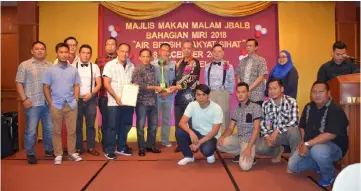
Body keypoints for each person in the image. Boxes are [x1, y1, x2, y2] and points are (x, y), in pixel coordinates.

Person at [288, 81, 349, 187]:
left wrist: (307, 144)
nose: (317, 94)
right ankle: (319, 163)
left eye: (321, 91)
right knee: (293, 166)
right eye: (314, 92)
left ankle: (329, 176)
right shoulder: (308, 107)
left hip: (333, 146)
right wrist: (303, 141)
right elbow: (302, 126)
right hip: (310, 144)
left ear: (329, 93)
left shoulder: (335, 109)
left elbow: (331, 134)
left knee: (318, 151)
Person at [43, 43, 82, 165]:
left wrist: (76, 99)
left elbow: (76, 85)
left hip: (71, 104)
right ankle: (58, 154)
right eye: (61, 52)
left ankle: (71, 153)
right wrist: (51, 103)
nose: (64, 54)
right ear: (57, 53)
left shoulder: (73, 70)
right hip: (56, 104)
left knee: (72, 131)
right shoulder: (50, 70)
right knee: (56, 131)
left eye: (66, 52)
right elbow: (45, 87)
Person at [15, 41, 54, 164]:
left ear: (45, 51)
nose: (40, 51)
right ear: (32, 51)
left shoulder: (51, 66)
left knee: (49, 128)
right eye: (37, 49)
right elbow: (18, 83)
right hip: (32, 103)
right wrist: (24, 99)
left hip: (48, 103)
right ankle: (30, 152)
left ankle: (49, 150)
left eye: (42, 49)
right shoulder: (25, 65)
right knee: (31, 130)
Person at [217, 82, 261, 171]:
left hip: (249, 141)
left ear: (248, 93)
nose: (240, 94)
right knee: (219, 144)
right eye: (238, 92)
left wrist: (248, 148)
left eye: (243, 92)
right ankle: (241, 152)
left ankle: (250, 152)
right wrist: (222, 136)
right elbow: (230, 128)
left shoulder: (255, 107)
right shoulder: (237, 109)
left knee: (245, 166)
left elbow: (256, 130)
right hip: (239, 138)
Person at [256, 78, 301, 163]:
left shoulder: (291, 102)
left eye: (275, 88)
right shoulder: (266, 105)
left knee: (294, 132)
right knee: (259, 148)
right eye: (270, 89)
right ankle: (277, 150)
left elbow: (294, 121)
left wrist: (277, 130)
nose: (272, 91)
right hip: (273, 136)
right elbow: (264, 123)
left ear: (282, 89)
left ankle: (295, 160)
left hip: (286, 134)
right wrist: (267, 136)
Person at [176, 84, 223, 165]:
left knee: (206, 150)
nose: (201, 97)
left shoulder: (216, 108)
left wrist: (198, 143)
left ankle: (210, 153)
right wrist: (191, 133)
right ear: (195, 95)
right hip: (196, 133)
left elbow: (214, 132)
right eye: (198, 94)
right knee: (179, 132)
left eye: (203, 94)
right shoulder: (192, 105)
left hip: (210, 136)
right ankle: (188, 156)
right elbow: (182, 123)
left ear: (208, 96)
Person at [103, 43, 135, 159]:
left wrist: (134, 86)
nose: (124, 54)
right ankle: (109, 150)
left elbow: (132, 82)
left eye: (126, 51)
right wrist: (116, 97)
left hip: (128, 102)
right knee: (112, 126)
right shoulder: (110, 65)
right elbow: (106, 83)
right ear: (117, 52)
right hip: (114, 102)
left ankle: (121, 147)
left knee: (126, 125)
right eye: (122, 51)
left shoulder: (132, 66)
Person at [171, 40, 201, 152]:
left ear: (192, 49)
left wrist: (175, 87)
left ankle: (195, 144)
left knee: (193, 122)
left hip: (190, 97)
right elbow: (175, 79)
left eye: (189, 48)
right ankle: (181, 143)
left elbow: (190, 79)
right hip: (178, 97)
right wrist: (169, 89)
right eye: (184, 48)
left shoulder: (195, 63)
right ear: (181, 49)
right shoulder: (178, 63)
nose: (186, 50)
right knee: (179, 123)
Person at [132, 48, 162, 156]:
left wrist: (161, 88)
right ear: (140, 58)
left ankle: (150, 145)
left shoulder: (155, 68)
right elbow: (139, 85)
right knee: (140, 126)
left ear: (151, 57)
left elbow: (158, 82)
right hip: (141, 102)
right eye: (143, 56)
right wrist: (155, 87)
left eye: (147, 56)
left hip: (153, 101)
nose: (145, 58)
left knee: (153, 126)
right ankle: (141, 147)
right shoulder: (137, 69)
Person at [75, 44, 102, 156]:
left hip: (91, 98)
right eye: (83, 53)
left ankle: (91, 147)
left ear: (90, 55)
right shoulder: (73, 66)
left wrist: (91, 94)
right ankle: (78, 148)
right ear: (79, 54)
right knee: (77, 125)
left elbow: (99, 83)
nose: (86, 55)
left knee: (91, 124)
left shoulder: (94, 67)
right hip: (77, 99)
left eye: (88, 53)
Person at [204, 44, 235, 133]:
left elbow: (231, 81)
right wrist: (207, 93)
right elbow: (206, 81)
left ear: (223, 53)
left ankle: (225, 140)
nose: (217, 53)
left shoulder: (229, 66)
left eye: (219, 51)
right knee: (211, 117)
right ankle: (211, 139)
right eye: (215, 51)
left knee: (224, 116)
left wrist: (227, 93)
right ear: (212, 53)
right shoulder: (207, 66)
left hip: (223, 92)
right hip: (211, 93)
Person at [152, 43, 177, 147]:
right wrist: (160, 91)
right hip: (156, 95)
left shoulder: (173, 65)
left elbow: (176, 81)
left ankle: (165, 140)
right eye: (163, 50)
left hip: (169, 96)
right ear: (159, 51)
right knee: (154, 119)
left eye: (168, 51)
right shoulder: (153, 64)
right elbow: (151, 81)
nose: (166, 53)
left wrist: (168, 92)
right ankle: (151, 140)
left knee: (166, 119)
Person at [95, 37, 118, 149]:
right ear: (105, 47)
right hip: (104, 96)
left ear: (116, 47)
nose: (110, 46)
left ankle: (116, 142)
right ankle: (106, 143)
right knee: (106, 121)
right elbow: (95, 79)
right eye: (108, 44)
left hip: (118, 97)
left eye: (113, 44)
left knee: (117, 120)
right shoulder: (99, 60)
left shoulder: (121, 60)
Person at [236, 38, 268, 106]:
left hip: (256, 94)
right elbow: (238, 75)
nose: (248, 47)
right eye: (247, 46)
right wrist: (241, 89)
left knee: (256, 115)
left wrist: (248, 88)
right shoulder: (242, 61)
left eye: (250, 46)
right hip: (244, 95)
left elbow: (261, 77)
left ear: (256, 47)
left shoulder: (261, 60)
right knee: (244, 114)